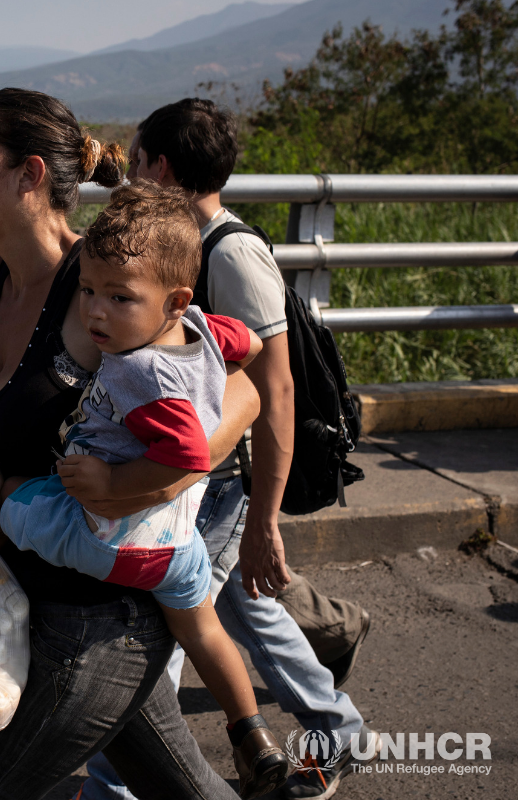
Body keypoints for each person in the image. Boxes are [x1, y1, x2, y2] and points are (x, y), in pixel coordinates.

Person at [0, 87, 262, 800]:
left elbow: (241, 392)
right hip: (30, 598)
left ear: (30, 176)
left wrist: (152, 481)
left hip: (98, 624)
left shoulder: (106, 284)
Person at [79, 99, 378, 800]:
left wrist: (264, 521)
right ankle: (339, 730)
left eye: (139, 159)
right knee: (243, 609)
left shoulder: (230, 252)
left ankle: (113, 789)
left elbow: (275, 393)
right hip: (186, 475)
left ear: (162, 167)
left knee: (153, 641)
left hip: (215, 481)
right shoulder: (178, 236)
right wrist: (101, 170)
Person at [0, 182, 292, 798]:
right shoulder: (200, 327)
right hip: (180, 543)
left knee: (16, 506)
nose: (96, 313)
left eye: (119, 297)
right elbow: (253, 342)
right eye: (87, 292)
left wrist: (112, 481)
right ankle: (252, 732)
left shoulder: (139, 371)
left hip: (118, 537)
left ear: (174, 298)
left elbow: (186, 452)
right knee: (205, 631)